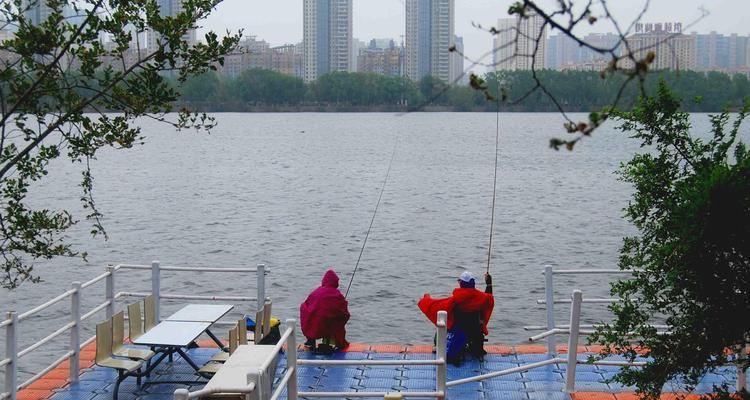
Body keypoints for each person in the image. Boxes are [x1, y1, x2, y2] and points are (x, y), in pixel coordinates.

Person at [418, 271, 494, 365]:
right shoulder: (482, 298)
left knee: (440, 332)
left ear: (461, 283)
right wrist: (489, 284)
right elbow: (489, 299)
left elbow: (438, 306)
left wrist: (426, 300)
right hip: (476, 333)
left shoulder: (456, 299)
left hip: (459, 332)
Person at [300, 269, 351, 352]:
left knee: (308, 313)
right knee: (336, 321)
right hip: (327, 325)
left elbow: (305, 305)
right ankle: (338, 343)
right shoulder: (337, 294)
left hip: (314, 326)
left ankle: (310, 340)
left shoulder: (316, 292)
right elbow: (345, 314)